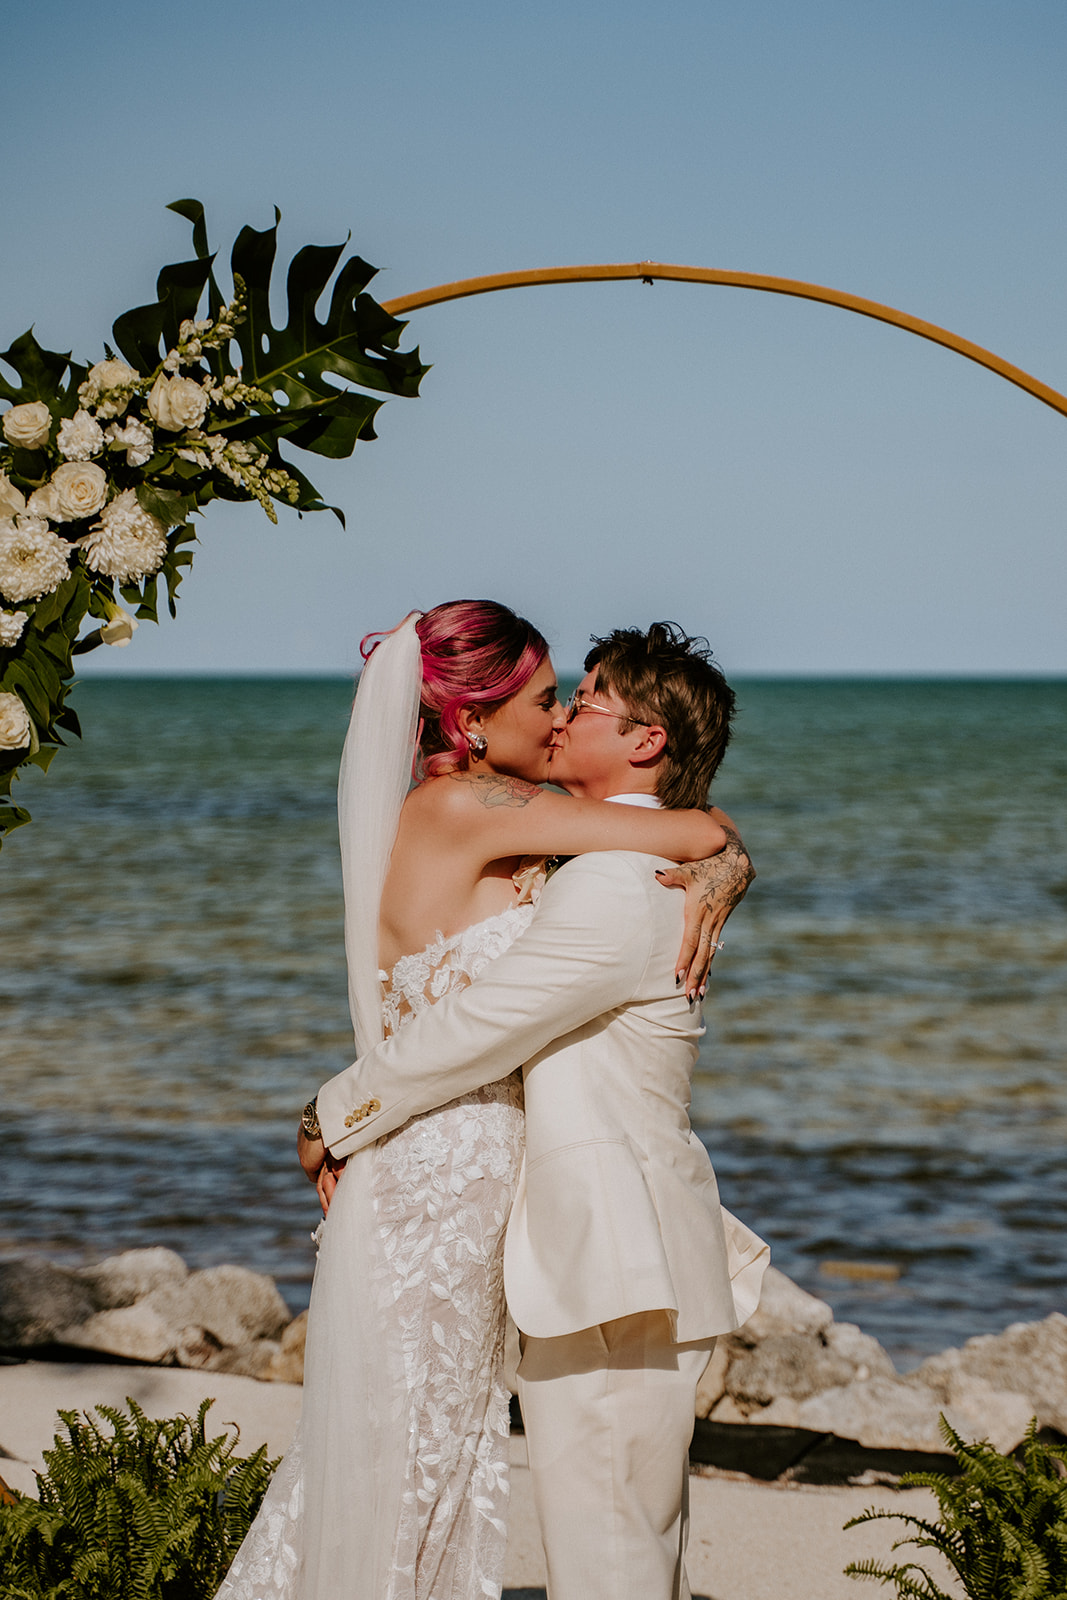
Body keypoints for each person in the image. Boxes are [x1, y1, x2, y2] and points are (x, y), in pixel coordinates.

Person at [216, 602, 741, 1600]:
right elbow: (481, 1023)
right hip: (436, 1175)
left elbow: (669, 835)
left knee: (435, 1458)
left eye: (573, 702)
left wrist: (724, 852)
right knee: (404, 1455)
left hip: (501, 1201)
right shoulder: (477, 813)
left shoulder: (571, 855)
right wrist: (335, 1113)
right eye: (550, 701)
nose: (555, 722)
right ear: (471, 713)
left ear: (642, 738)